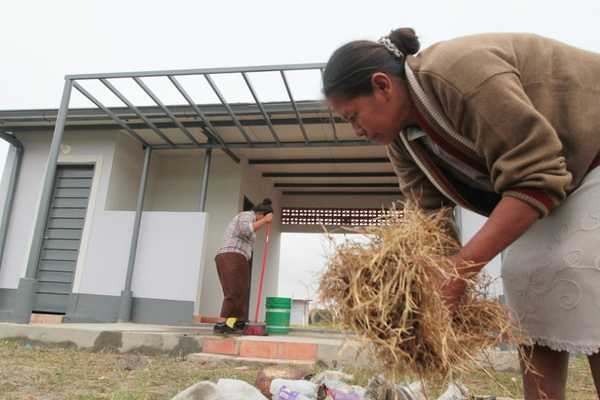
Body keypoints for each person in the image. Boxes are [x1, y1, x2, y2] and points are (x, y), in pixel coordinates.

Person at [322, 28, 600, 399]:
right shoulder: (403, 141)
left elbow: (538, 175)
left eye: (353, 116)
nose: (356, 130)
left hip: (592, 150)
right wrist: (423, 293)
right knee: (523, 274)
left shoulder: (459, 73)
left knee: (579, 266)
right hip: (562, 174)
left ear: (383, 86)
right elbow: (430, 216)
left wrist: (459, 270)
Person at [213, 198, 273, 334]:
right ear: (261, 214)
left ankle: (236, 322)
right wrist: (264, 221)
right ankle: (221, 324)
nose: (263, 223)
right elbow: (245, 230)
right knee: (233, 290)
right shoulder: (246, 215)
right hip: (231, 255)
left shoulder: (254, 222)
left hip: (240, 258)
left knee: (241, 291)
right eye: (264, 218)